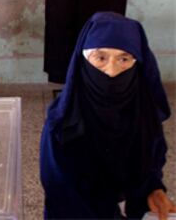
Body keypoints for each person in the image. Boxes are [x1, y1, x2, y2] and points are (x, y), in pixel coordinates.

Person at [40, 12, 176, 219]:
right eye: (100, 58)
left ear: (137, 62)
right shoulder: (64, 123)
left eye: (124, 59)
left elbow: (150, 159)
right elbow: (63, 194)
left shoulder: (143, 113)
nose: (112, 71)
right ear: (83, 60)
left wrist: (153, 189)